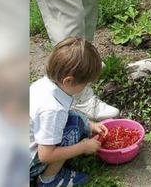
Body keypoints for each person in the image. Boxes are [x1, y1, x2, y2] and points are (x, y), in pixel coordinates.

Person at [29, 37, 107, 187]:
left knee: (75, 119)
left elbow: (67, 114)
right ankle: (49, 180)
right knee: (72, 132)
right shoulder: (52, 110)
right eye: (85, 83)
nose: (86, 87)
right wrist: (83, 147)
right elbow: (46, 155)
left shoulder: (43, 85)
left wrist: (90, 125)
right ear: (68, 81)